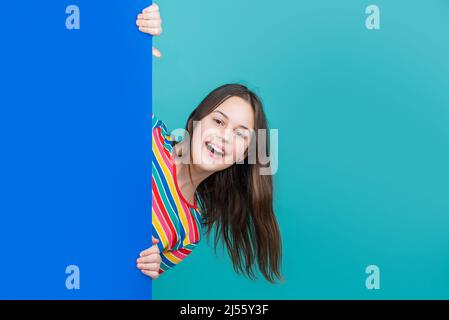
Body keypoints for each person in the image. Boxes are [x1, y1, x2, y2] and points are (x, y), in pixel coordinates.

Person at [135, 3, 283, 283]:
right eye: (218, 121)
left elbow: (124, 284)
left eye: (240, 134)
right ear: (194, 123)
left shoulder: (187, 233)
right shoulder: (147, 130)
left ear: (243, 155)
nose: (224, 136)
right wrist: (131, 38)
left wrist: (143, 267)